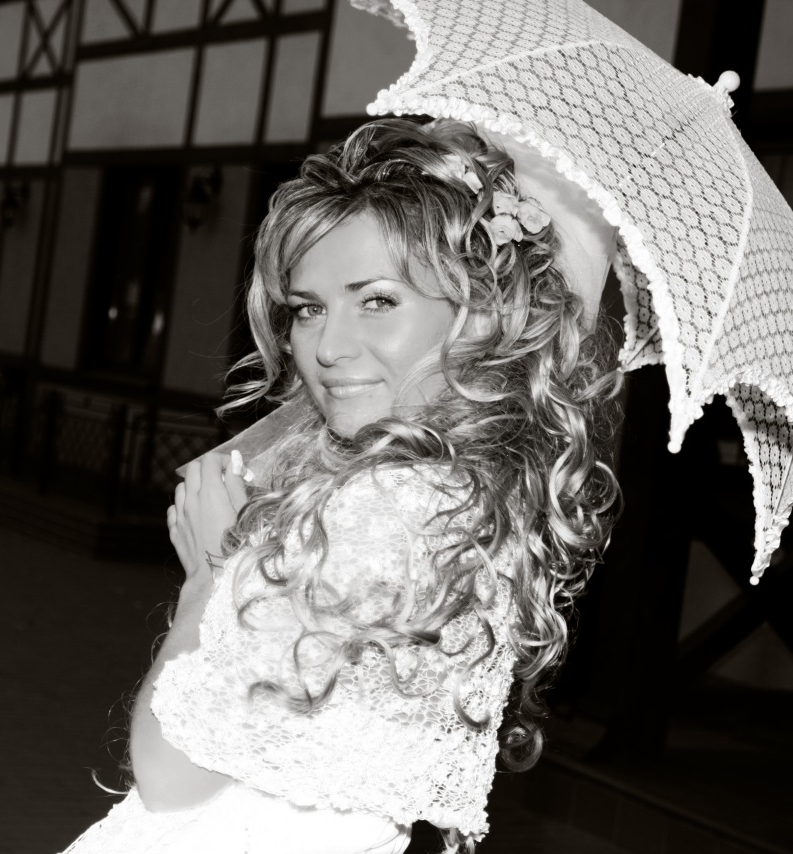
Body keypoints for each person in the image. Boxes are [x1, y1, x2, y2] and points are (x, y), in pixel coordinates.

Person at [61, 118, 621, 853]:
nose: (326, 347)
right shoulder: (465, 498)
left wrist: (210, 576)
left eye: (378, 301)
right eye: (308, 308)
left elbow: (170, 774)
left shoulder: (383, 510)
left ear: (480, 316)